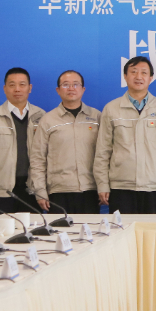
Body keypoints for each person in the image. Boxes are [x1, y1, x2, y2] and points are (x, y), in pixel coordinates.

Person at [93, 56, 156, 214]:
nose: (138, 76)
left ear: (151, 78)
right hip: (121, 186)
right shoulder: (112, 108)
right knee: (122, 229)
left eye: (144, 72)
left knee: (151, 230)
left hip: (154, 186)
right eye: (133, 72)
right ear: (125, 76)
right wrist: (102, 184)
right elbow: (103, 150)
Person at [29, 70, 103, 215]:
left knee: (90, 230)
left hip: (90, 190)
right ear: (58, 90)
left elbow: (105, 154)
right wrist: (40, 190)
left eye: (75, 84)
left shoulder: (97, 117)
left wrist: (104, 186)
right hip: (58, 191)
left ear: (83, 89)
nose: (71, 88)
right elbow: (37, 158)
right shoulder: (48, 120)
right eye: (66, 85)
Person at [0, 68, 46, 216]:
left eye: (22, 84)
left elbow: (47, 155)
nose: (17, 89)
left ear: (30, 88)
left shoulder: (41, 116)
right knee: (3, 229)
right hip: (2, 191)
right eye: (12, 85)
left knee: (32, 229)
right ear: (5, 88)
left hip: (32, 189)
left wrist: (42, 189)